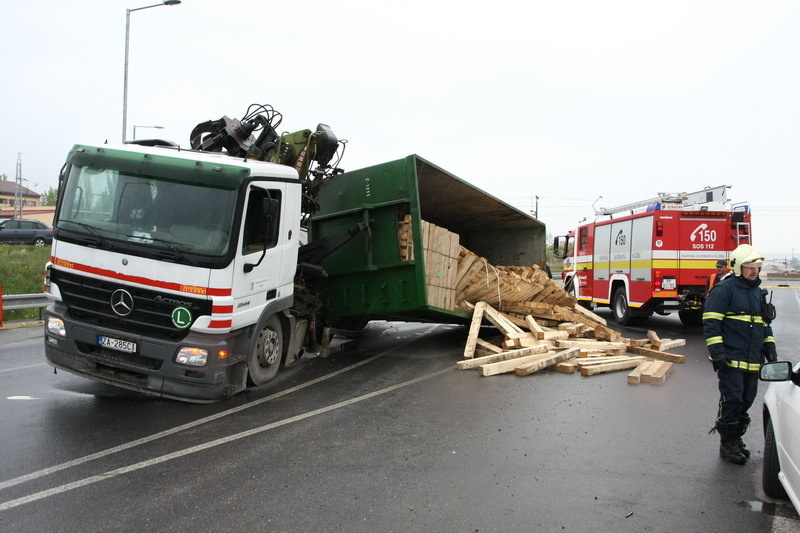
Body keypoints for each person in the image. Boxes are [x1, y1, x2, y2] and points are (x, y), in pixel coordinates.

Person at [703, 244, 776, 464]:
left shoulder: (757, 292)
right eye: (749, 266)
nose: (754, 271)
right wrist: (718, 354)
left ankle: (736, 438)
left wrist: (770, 347)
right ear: (737, 267)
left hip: (753, 361)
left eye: (757, 267)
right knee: (732, 399)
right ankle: (727, 444)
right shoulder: (724, 290)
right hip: (731, 359)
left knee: (746, 400)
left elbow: (764, 325)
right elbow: (711, 324)